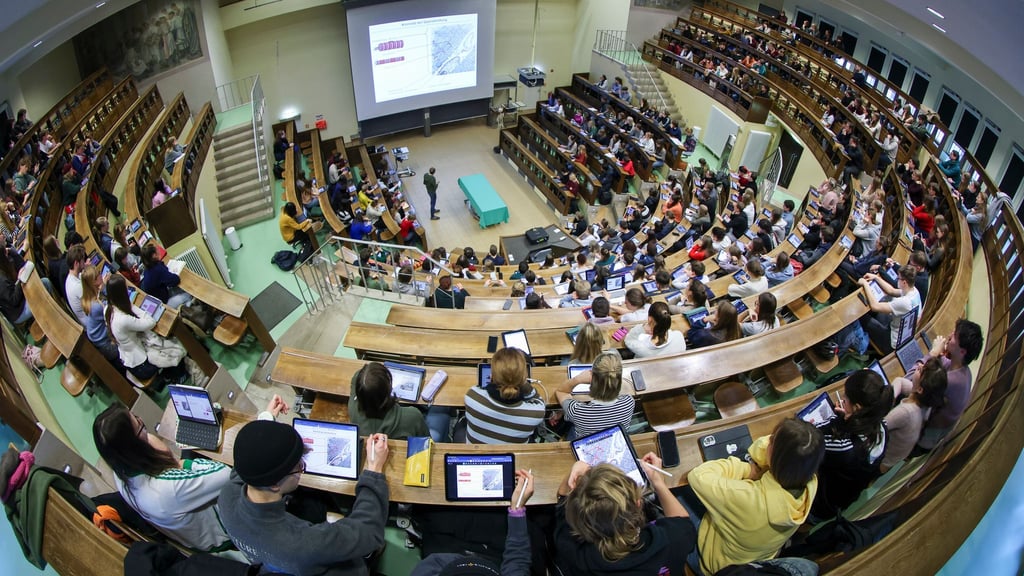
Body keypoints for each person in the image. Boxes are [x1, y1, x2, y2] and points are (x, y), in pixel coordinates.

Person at [92, 401, 289, 553]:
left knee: (200, 437)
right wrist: (265, 420)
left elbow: (156, 447)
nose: (144, 426)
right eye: (140, 426)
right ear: (134, 448)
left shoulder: (121, 473)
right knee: (261, 465)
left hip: (196, 526)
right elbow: (226, 474)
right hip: (229, 531)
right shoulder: (165, 490)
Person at [219, 419, 390, 575]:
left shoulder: (226, 498)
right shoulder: (305, 542)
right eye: (299, 466)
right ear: (274, 485)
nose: (302, 469)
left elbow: (246, 464)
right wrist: (373, 469)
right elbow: (368, 531)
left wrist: (267, 423)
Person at [685, 418, 824, 575]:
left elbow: (698, 476)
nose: (767, 440)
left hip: (710, 562)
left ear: (778, 458)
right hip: (750, 559)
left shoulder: (751, 498)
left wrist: (746, 469)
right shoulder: (810, 482)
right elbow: (761, 447)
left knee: (681, 494)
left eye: (772, 441)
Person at [555, 458, 694, 575]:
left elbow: (561, 503)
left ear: (581, 525)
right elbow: (683, 521)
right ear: (638, 503)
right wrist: (658, 483)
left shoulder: (579, 558)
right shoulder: (673, 538)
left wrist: (571, 477)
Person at [411, 470, 534, 576]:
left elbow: (431, 563)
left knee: (434, 512)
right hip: (495, 556)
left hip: (447, 551)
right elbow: (517, 562)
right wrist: (517, 508)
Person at [811, 369, 893, 518]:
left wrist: (836, 419)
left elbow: (813, 438)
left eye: (846, 397)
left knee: (808, 522)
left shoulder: (845, 448)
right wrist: (848, 418)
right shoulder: (882, 428)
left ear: (857, 408)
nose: (842, 398)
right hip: (845, 496)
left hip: (823, 500)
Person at [105, 274, 188, 385]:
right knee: (175, 346)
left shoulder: (108, 309)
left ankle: (169, 374)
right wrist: (131, 306)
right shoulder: (122, 320)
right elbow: (150, 322)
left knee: (158, 340)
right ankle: (177, 375)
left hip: (128, 357)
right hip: (141, 366)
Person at [917, 319, 984, 450]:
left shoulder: (951, 381)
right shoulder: (963, 368)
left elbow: (914, 381)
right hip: (928, 421)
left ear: (963, 351)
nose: (949, 336)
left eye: (954, 336)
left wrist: (933, 353)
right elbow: (943, 362)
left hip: (923, 438)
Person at [463, 347, 545, 444]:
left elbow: (482, 388)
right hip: (512, 457)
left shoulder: (472, 396)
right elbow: (536, 398)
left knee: (461, 424)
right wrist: (522, 381)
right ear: (524, 377)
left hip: (478, 457)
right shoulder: (536, 413)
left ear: (492, 375)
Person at [881, 358, 947, 471]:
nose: (919, 366)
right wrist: (888, 399)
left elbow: (877, 425)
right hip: (890, 456)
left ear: (920, 389)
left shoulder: (906, 412)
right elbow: (899, 381)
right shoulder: (925, 401)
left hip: (881, 461)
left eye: (921, 370)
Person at [555, 351, 634, 438]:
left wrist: (578, 379)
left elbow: (561, 392)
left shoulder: (578, 411)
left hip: (587, 443)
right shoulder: (629, 402)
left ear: (592, 378)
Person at [348, 361, 429, 439]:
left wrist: (365, 377)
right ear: (389, 389)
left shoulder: (352, 407)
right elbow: (426, 440)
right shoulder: (413, 416)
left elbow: (357, 377)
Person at [858, 267, 921, 354]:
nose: (897, 280)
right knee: (878, 311)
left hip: (891, 342)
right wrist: (876, 278)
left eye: (898, 278)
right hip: (897, 330)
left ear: (904, 282)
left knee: (861, 316)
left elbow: (875, 306)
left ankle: (860, 345)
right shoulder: (914, 291)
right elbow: (891, 291)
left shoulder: (905, 302)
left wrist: (865, 284)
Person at [79, 265, 123, 369]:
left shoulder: (88, 296)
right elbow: (114, 307)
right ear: (94, 282)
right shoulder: (96, 306)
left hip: (98, 338)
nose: (101, 275)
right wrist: (105, 286)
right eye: (99, 274)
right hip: (106, 344)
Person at [141, 244, 191, 309]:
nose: (158, 251)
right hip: (163, 303)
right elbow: (176, 280)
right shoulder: (157, 269)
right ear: (154, 255)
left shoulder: (147, 267)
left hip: (158, 296)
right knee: (188, 295)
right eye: (157, 251)